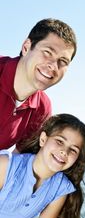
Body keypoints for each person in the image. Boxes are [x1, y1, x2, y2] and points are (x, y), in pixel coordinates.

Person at [0, 18, 77, 151]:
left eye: (63, 61)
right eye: (47, 52)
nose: (53, 66)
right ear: (26, 47)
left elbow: (21, 160)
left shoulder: (42, 107)